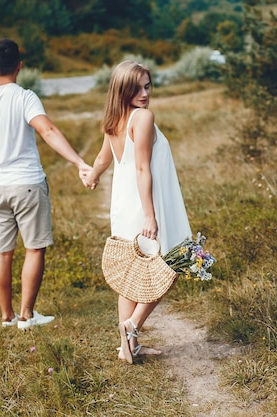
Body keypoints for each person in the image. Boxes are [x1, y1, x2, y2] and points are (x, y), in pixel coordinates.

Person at [0, 38, 92, 330]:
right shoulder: (25, 97)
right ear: (19, 67)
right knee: (34, 249)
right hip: (27, 184)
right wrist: (79, 162)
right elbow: (48, 131)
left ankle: (6, 317)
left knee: (1, 252)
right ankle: (27, 316)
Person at [85, 61, 191, 363]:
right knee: (171, 264)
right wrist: (150, 215)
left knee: (133, 275)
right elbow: (143, 167)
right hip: (146, 203)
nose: (144, 93)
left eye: (147, 86)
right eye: (137, 87)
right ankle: (131, 327)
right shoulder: (142, 117)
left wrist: (92, 175)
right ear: (122, 89)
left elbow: (104, 158)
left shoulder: (117, 119)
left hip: (124, 203)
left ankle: (126, 347)